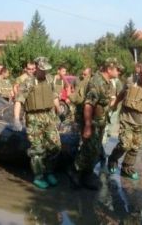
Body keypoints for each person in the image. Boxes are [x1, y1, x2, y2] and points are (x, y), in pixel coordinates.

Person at [68, 58, 121, 190]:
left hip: (100, 122)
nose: (119, 72)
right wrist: (87, 126)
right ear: (109, 69)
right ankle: (75, 171)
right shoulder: (96, 82)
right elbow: (88, 105)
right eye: (117, 69)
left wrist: (120, 97)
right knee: (88, 149)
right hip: (92, 122)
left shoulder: (107, 82)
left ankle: (87, 174)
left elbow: (106, 104)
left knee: (95, 149)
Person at [13, 57, 63, 189]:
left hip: (49, 116)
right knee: (37, 149)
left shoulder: (50, 79)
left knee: (55, 146)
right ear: (36, 67)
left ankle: (49, 171)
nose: (45, 72)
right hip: (34, 119)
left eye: (46, 69)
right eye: (42, 69)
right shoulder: (28, 83)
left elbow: (55, 97)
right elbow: (19, 101)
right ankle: (39, 176)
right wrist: (16, 119)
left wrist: (60, 111)